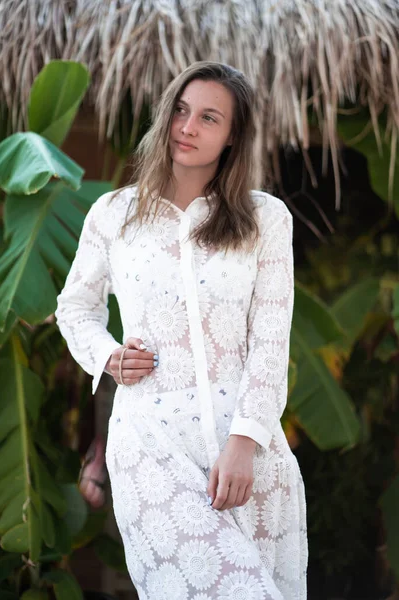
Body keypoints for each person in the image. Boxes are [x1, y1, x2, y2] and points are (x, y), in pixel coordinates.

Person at [55, 60, 308, 600]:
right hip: (150, 440)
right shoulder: (114, 215)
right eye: (180, 110)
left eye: (209, 118)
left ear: (234, 135)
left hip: (245, 448)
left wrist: (245, 440)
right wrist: (108, 355)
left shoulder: (266, 220)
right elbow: (75, 307)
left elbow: (270, 342)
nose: (187, 127)